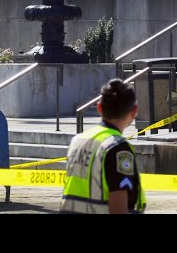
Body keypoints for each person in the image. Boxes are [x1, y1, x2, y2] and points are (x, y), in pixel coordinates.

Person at [60, 78, 147, 214]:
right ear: (134, 111)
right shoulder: (117, 148)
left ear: (99, 107)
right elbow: (118, 206)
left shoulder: (78, 141)